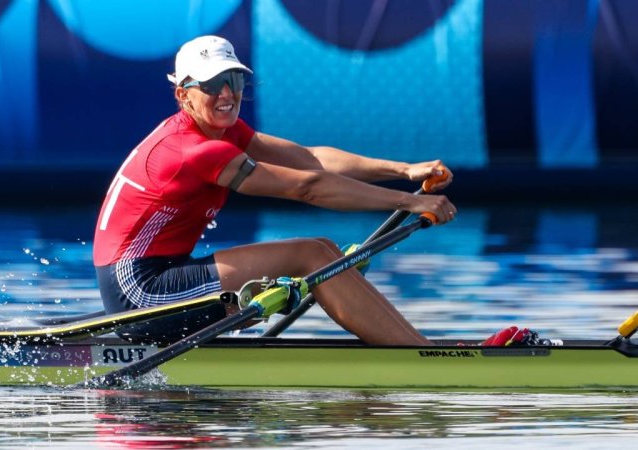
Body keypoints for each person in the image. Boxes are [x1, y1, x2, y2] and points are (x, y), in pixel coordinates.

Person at [92, 35, 457, 346]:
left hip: (163, 274)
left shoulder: (222, 131)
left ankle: (415, 346)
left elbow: (310, 159)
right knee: (312, 256)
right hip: (139, 293)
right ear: (183, 94)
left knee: (324, 251)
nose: (226, 93)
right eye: (210, 84)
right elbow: (308, 188)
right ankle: (418, 354)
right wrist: (410, 202)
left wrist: (404, 170)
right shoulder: (196, 151)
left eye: (233, 80)